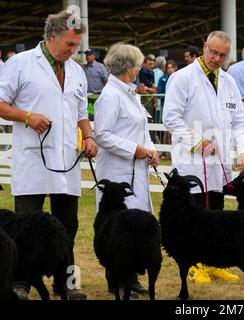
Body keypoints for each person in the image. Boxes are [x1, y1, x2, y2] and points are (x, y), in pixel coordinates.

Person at [0, 11, 97, 300]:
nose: (73, 50)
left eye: (76, 45)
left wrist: (89, 135)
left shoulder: (77, 70)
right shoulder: (20, 64)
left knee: (68, 225)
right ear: (51, 37)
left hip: (67, 159)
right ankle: (20, 283)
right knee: (25, 223)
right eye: (69, 44)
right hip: (33, 159)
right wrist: (27, 116)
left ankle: (67, 282)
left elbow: (81, 113)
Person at [163, 30, 244, 285]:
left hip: (219, 161)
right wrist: (196, 142)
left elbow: (240, 121)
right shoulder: (182, 78)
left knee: (217, 214)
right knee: (195, 216)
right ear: (204, 47)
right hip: (192, 160)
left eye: (222, 55)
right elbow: (171, 118)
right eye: (213, 52)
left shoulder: (229, 81)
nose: (216, 58)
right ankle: (194, 265)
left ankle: (214, 262)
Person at [94, 43, 160, 296]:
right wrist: (135, 149)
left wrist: (151, 149)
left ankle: (130, 276)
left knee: (135, 227)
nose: (141, 68)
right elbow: (102, 135)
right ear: (128, 68)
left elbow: (142, 129)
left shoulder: (130, 93)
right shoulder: (110, 95)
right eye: (138, 64)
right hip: (118, 169)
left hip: (137, 168)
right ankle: (116, 278)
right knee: (117, 229)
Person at [157, 60, 177, 160]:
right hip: (165, 106)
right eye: (168, 68)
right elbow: (160, 91)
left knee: (173, 132)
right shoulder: (162, 78)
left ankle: (172, 153)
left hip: (177, 108)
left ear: (175, 68)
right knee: (166, 131)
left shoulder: (179, 77)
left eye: (171, 68)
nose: (170, 70)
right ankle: (166, 152)